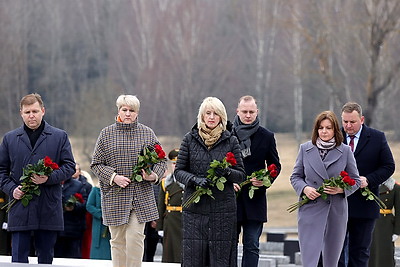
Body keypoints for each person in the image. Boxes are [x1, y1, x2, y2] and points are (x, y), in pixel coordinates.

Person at [90, 94, 167, 267]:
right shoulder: (106, 134)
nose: (127, 114)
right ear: (118, 111)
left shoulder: (147, 133)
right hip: (114, 196)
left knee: (135, 238)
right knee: (117, 241)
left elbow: (162, 160)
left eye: (131, 110)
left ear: (137, 113)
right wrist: (113, 177)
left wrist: (152, 175)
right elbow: (96, 164)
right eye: (124, 110)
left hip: (140, 195)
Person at [0, 93, 75, 264]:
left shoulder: (59, 136)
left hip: (47, 208)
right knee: (18, 259)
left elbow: (69, 166)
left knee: (46, 258)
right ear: (21, 113)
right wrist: (12, 189)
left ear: (43, 111)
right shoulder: (10, 139)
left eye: (34, 111)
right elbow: (1, 171)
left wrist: (48, 178)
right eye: (27, 112)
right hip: (20, 208)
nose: (31, 115)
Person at [174, 96, 246, 267]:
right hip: (195, 209)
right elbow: (178, 171)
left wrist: (227, 172)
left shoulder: (231, 141)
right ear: (202, 116)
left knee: (220, 258)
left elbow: (241, 175)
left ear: (222, 117)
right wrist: (194, 180)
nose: (212, 117)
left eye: (216, 113)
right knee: (194, 257)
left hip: (223, 210)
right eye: (208, 113)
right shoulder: (189, 139)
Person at [290, 110, 361, 267]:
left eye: (328, 128)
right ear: (316, 130)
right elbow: (295, 177)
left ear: (335, 129)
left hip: (335, 212)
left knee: (331, 261)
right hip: (310, 209)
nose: (324, 131)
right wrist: (305, 189)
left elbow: (355, 180)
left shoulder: (345, 151)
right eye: (321, 128)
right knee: (309, 261)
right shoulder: (305, 149)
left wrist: (341, 190)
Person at [339, 102, 395, 267]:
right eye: (345, 122)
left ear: (361, 119)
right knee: (336, 252)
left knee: (360, 252)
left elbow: (388, 166)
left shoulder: (377, 138)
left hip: (365, 205)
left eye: (352, 122)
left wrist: (369, 180)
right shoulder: (334, 137)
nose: (348, 126)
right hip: (338, 204)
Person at [232, 95, 281, 267]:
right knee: (229, 246)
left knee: (252, 245)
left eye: (251, 112)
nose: (247, 115)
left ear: (257, 112)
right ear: (237, 111)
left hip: (256, 199)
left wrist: (266, 180)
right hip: (232, 198)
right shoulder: (226, 134)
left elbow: (275, 165)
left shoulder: (266, 136)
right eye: (244, 111)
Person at [157, 148, 184, 263]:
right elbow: (161, 206)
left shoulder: (189, 181)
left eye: (178, 163)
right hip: (170, 221)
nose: (175, 166)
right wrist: (160, 226)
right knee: (169, 255)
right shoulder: (165, 182)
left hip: (184, 221)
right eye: (173, 163)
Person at [54, 173, 89, 258]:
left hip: (73, 229)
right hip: (54, 229)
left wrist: (74, 206)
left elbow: (85, 204)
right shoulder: (51, 183)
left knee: (72, 258)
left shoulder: (78, 185)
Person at [369, 177, 400, 267]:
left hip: (385, 225)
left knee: (384, 253)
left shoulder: (394, 187)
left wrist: (396, 231)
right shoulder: (368, 184)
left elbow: (399, 211)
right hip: (369, 222)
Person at [71, 163, 93, 259]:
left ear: (79, 172)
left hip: (79, 222)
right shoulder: (62, 184)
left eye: (75, 170)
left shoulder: (86, 186)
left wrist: (75, 206)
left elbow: (87, 204)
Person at [86, 184, 111, 260]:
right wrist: (102, 214)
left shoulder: (118, 190)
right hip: (99, 226)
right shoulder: (96, 189)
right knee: (98, 253)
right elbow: (89, 206)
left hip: (114, 224)